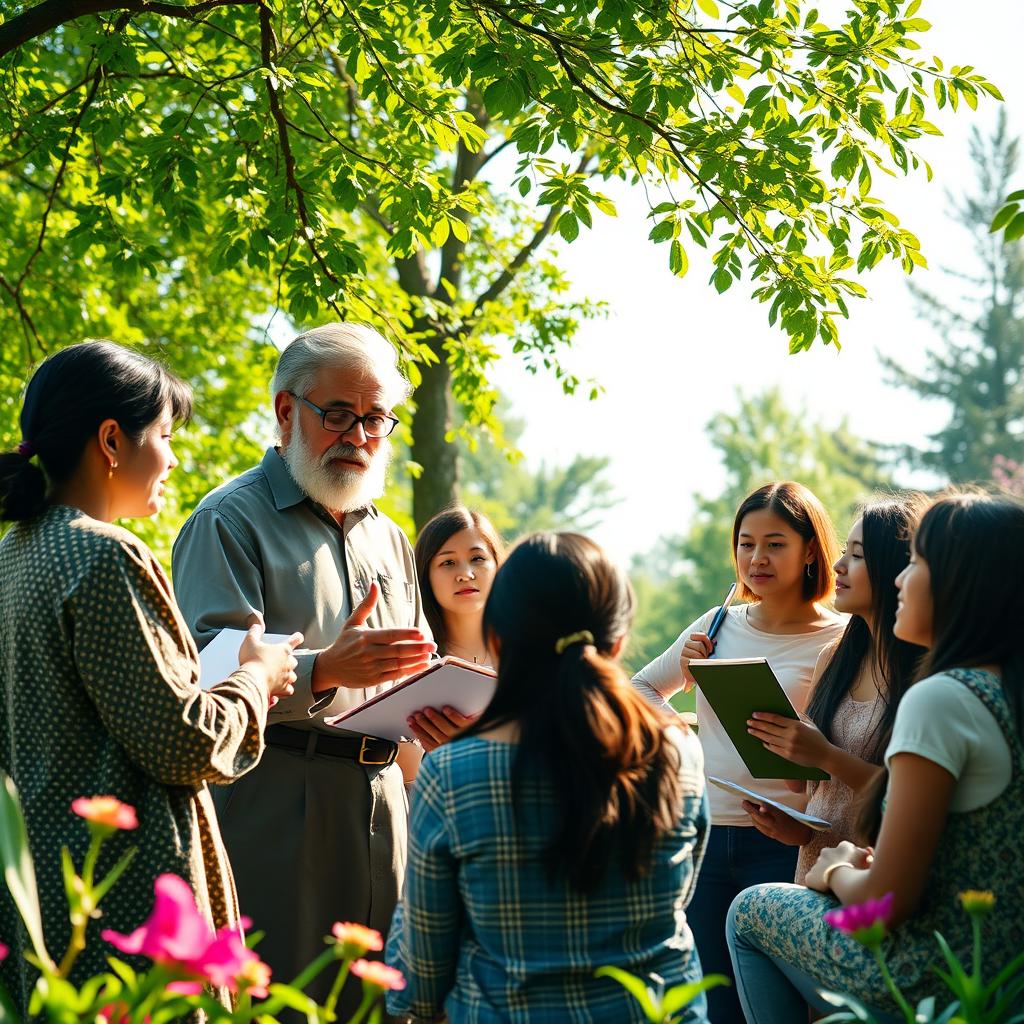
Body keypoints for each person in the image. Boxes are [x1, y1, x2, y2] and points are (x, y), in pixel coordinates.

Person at [0, 341, 299, 1016]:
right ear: (112, 440)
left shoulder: (14, 553)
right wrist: (256, 676)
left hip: (43, 904)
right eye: (164, 436)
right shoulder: (103, 556)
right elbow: (184, 741)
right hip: (124, 914)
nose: (171, 459)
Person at [171, 323, 447, 1011]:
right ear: (286, 411)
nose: (358, 435)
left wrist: (436, 704)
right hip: (276, 800)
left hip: (384, 800)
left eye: (376, 418)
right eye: (339, 415)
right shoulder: (229, 520)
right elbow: (211, 682)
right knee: (279, 1002)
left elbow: (404, 665)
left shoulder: (390, 536)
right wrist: (325, 669)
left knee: (376, 1005)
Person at [386, 533, 710, 1023]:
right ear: (618, 640)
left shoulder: (452, 772)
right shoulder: (677, 751)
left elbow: (421, 976)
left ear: (498, 638)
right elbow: (679, 897)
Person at [728, 492, 1024, 1023]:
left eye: (917, 563)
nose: (901, 581)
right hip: (1003, 967)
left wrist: (839, 871)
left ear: (966, 582)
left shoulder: (940, 696)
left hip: (938, 969)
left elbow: (886, 904)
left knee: (749, 910)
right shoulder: (1001, 690)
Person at [633, 481, 846, 1024]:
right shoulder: (716, 624)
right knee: (712, 1002)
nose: (757, 558)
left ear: (810, 551)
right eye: (746, 543)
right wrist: (684, 734)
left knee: (780, 1006)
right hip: (705, 838)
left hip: (790, 841)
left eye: (775, 543)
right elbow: (639, 690)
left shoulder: (845, 636)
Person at [742, 495, 927, 882]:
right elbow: (808, 786)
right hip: (815, 870)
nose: (839, 565)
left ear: (898, 567)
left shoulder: (925, 674)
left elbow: (913, 797)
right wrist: (800, 828)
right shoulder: (833, 657)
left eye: (857, 555)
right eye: (845, 552)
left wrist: (825, 754)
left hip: (873, 880)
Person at [406, 505, 505, 750]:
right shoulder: (410, 665)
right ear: (425, 575)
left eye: (478, 558)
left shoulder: (530, 656)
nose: (465, 574)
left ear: (498, 565)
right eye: (448, 562)